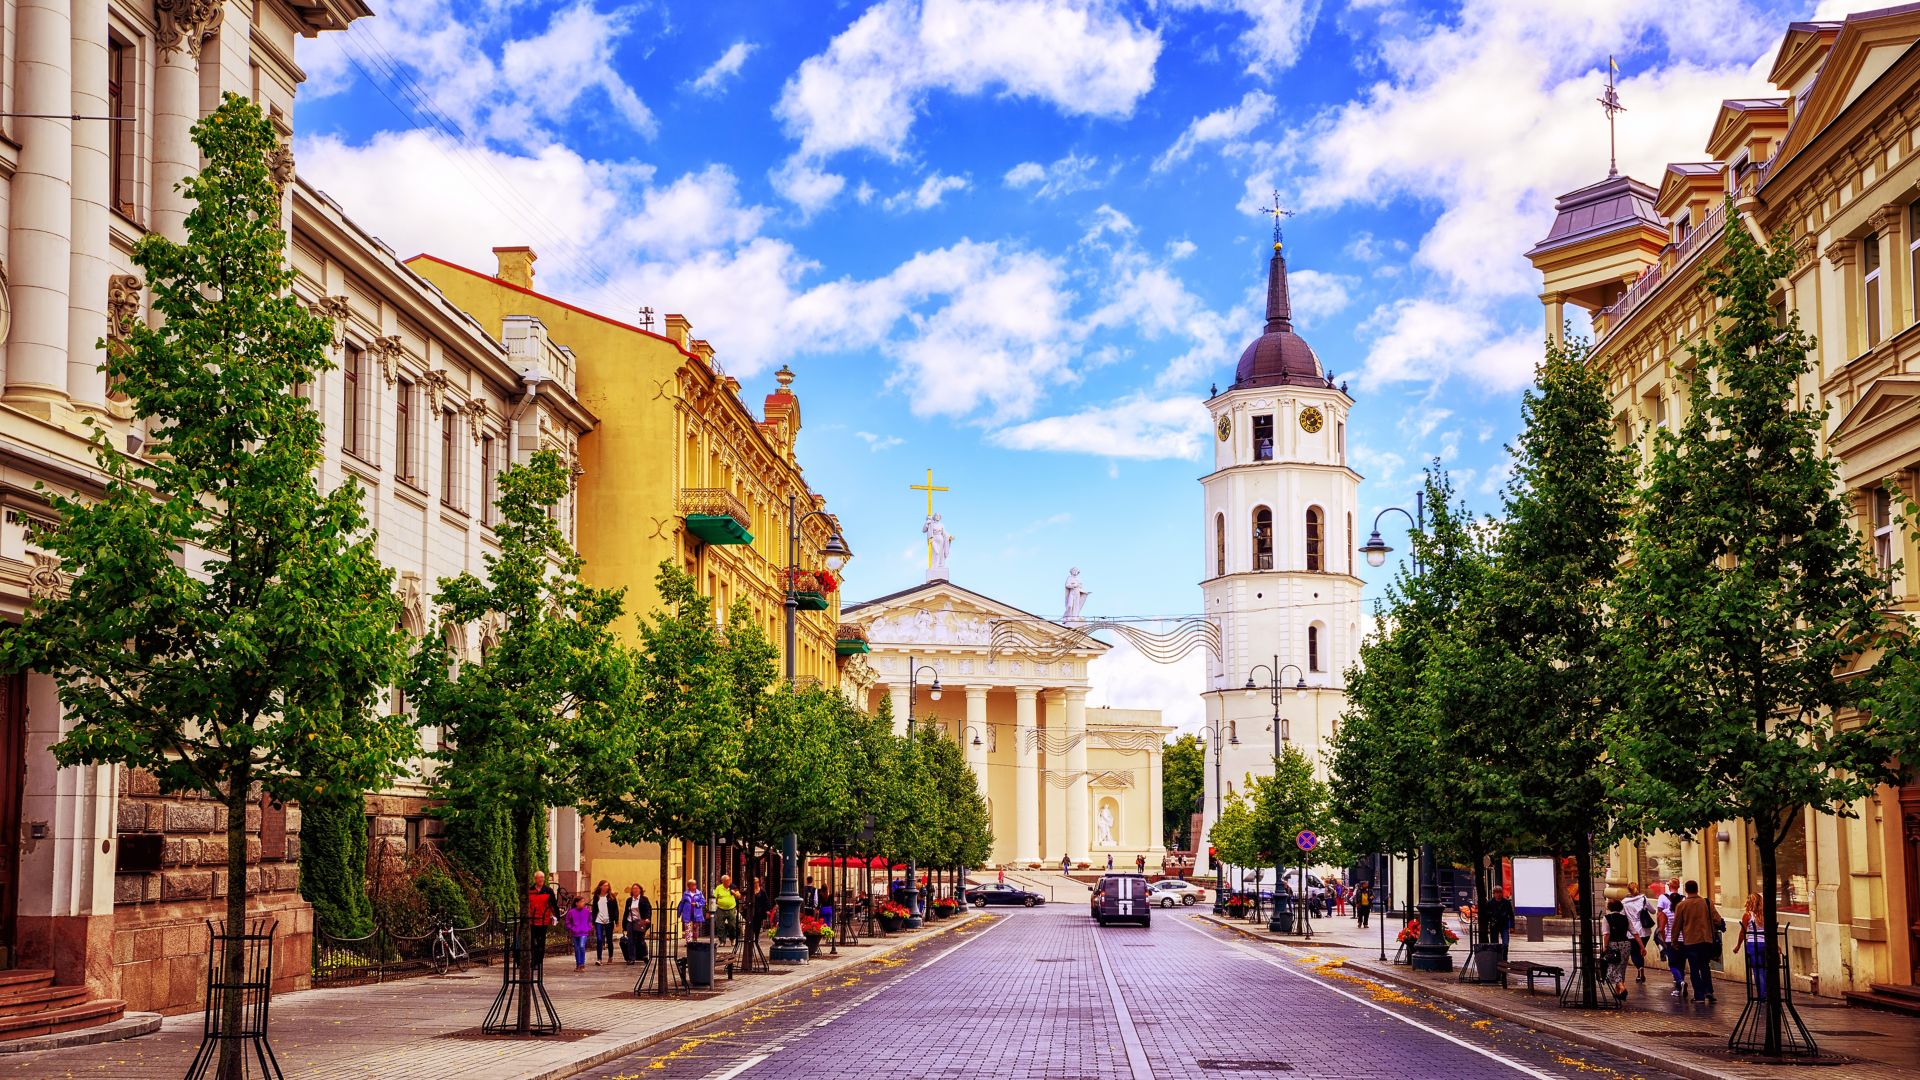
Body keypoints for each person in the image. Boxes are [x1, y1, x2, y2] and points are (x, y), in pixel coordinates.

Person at [1675, 879, 1723, 1003]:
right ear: (1697, 889)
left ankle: (1699, 995)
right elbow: (1717, 919)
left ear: (1685, 890)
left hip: (1690, 941)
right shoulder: (1706, 903)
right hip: (1706, 940)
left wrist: (1674, 941)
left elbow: (1677, 925)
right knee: (1705, 967)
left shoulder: (1681, 905)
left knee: (1694, 969)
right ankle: (1709, 991)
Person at [1658, 878, 1686, 997]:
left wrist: (1664, 939)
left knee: (1673, 964)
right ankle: (1680, 986)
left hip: (1671, 940)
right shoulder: (1683, 911)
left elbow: (1662, 928)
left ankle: (1680, 982)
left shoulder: (1666, 912)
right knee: (1682, 964)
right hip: (1684, 940)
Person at [526, 871, 560, 970]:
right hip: (532, 920)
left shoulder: (548, 891)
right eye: (539, 878)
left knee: (541, 942)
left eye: (542, 877)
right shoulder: (530, 890)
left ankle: (538, 961)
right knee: (532, 942)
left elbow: (553, 904)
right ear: (535, 879)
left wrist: (557, 916)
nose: (541, 879)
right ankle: (533, 960)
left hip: (543, 920)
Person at [1619, 882, 1649, 984]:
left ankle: (1640, 968)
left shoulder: (1624, 902)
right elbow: (1653, 911)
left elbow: (1622, 915)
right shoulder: (1644, 899)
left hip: (1631, 931)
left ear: (1628, 890)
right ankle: (1641, 970)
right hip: (1644, 931)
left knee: (1634, 952)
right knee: (1641, 949)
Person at [1602, 898, 1632, 1000]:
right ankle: (1617, 993)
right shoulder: (1625, 918)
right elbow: (1634, 932)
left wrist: (1605, 947)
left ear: (1609, 907)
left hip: (1613, 945)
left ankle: (1622, 988)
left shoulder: (1607, 918)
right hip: (1626, 944)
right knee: (1621, 967)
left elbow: (1606, 934)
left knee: (1612, 968)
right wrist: (1642, 947)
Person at [1739, 893, 1766, 1000]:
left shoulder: (1747, 915)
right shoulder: (1765, 914)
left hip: (1753, 944)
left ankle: (1762, 995)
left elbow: (1742, 932)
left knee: (1757, 970)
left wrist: (1738, 946)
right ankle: (1766, 993)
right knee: (1765, 969)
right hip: (1765, 943)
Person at [622, 883, 652, 965]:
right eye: (633, 889)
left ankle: (645, 955)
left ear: (640, 890)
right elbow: (626, 912)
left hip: (640, 922)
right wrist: (624, 925)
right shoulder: (629, 900)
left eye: (637, 888)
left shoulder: (644, 899)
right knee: (630, 940)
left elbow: (648, 910)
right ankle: (632, 958)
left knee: (640, 940)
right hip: (630, 921)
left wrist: (647, 918)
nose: (635, 890)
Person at [590, 879, 617, 965]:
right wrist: (593, 921)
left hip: (608, 920)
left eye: (607, 885)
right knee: (599, 939)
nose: (606, 887)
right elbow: (594, 909)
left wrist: (616, 921)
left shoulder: (611, 897)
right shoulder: (596, 896)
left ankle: (610, 956)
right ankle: (599, 958)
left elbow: (615, 909)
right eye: (604, 885)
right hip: (598, 920)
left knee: (609, 939)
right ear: (600, 886)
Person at [564, 894, 593, 972]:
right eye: (581, 901)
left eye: (583, 901)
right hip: (575, 932)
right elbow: (567, 922)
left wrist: (588, 927)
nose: (583, 903)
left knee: (581, 946)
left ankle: (582, 964)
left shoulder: (587, 911)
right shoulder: (571, 912)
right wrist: (572, 928)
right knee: (577, 949)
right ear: (577, 903)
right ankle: (578, 964)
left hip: (584, 932)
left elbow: (590, 920)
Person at [1482, 887, 1515, 952]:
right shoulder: (1490, 903)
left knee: (1505, 944)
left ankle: (1504, 959)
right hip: (1494, 925)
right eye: (1496, 893)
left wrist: (1512, 926)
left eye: (1500, 892)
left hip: (1504, 924)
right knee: (1494, 944)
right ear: (1494, 894)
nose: (1498, 894)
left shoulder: (1506, 903)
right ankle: (1496, 959)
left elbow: (1511, 914)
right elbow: (1486, 915)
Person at [713, 875, 739, 943]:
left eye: (729, 880)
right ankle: (722, 941)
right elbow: (715, 897)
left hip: (731, 908)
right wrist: (716, 904)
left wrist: (735, 893)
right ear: (723, 881)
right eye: (727, 880)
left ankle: (732, 939)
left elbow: (739, 896)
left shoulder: (733, 886)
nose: (729, 881)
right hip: (721, 909)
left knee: (732, 925)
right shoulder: (719, 888)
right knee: (720, 926)